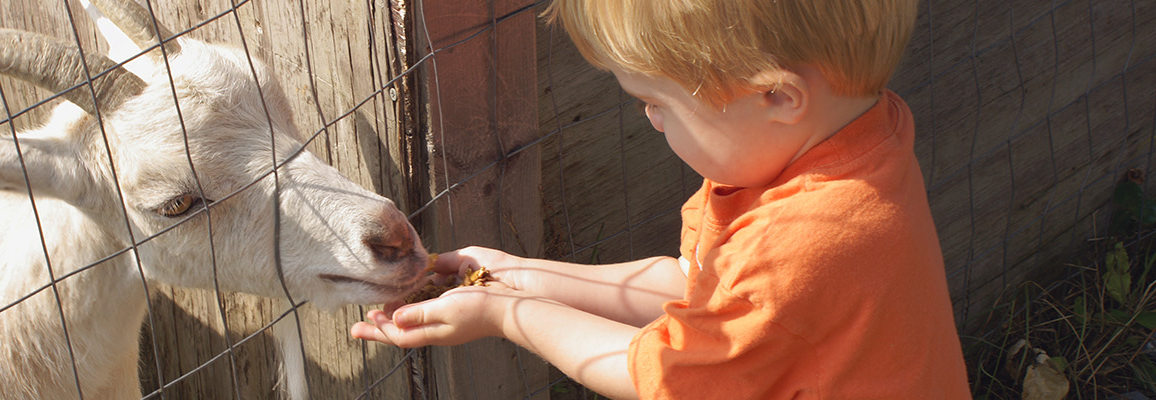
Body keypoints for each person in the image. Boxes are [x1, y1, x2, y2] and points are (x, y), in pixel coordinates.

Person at [351, 0, 971, 398]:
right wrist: (517, 276)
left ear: (777, 97)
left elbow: (659, 374)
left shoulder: (804, 243)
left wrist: (506, 315)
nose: (650, 121)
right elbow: (694, 285)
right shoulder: (856, 138)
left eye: (660, 102)